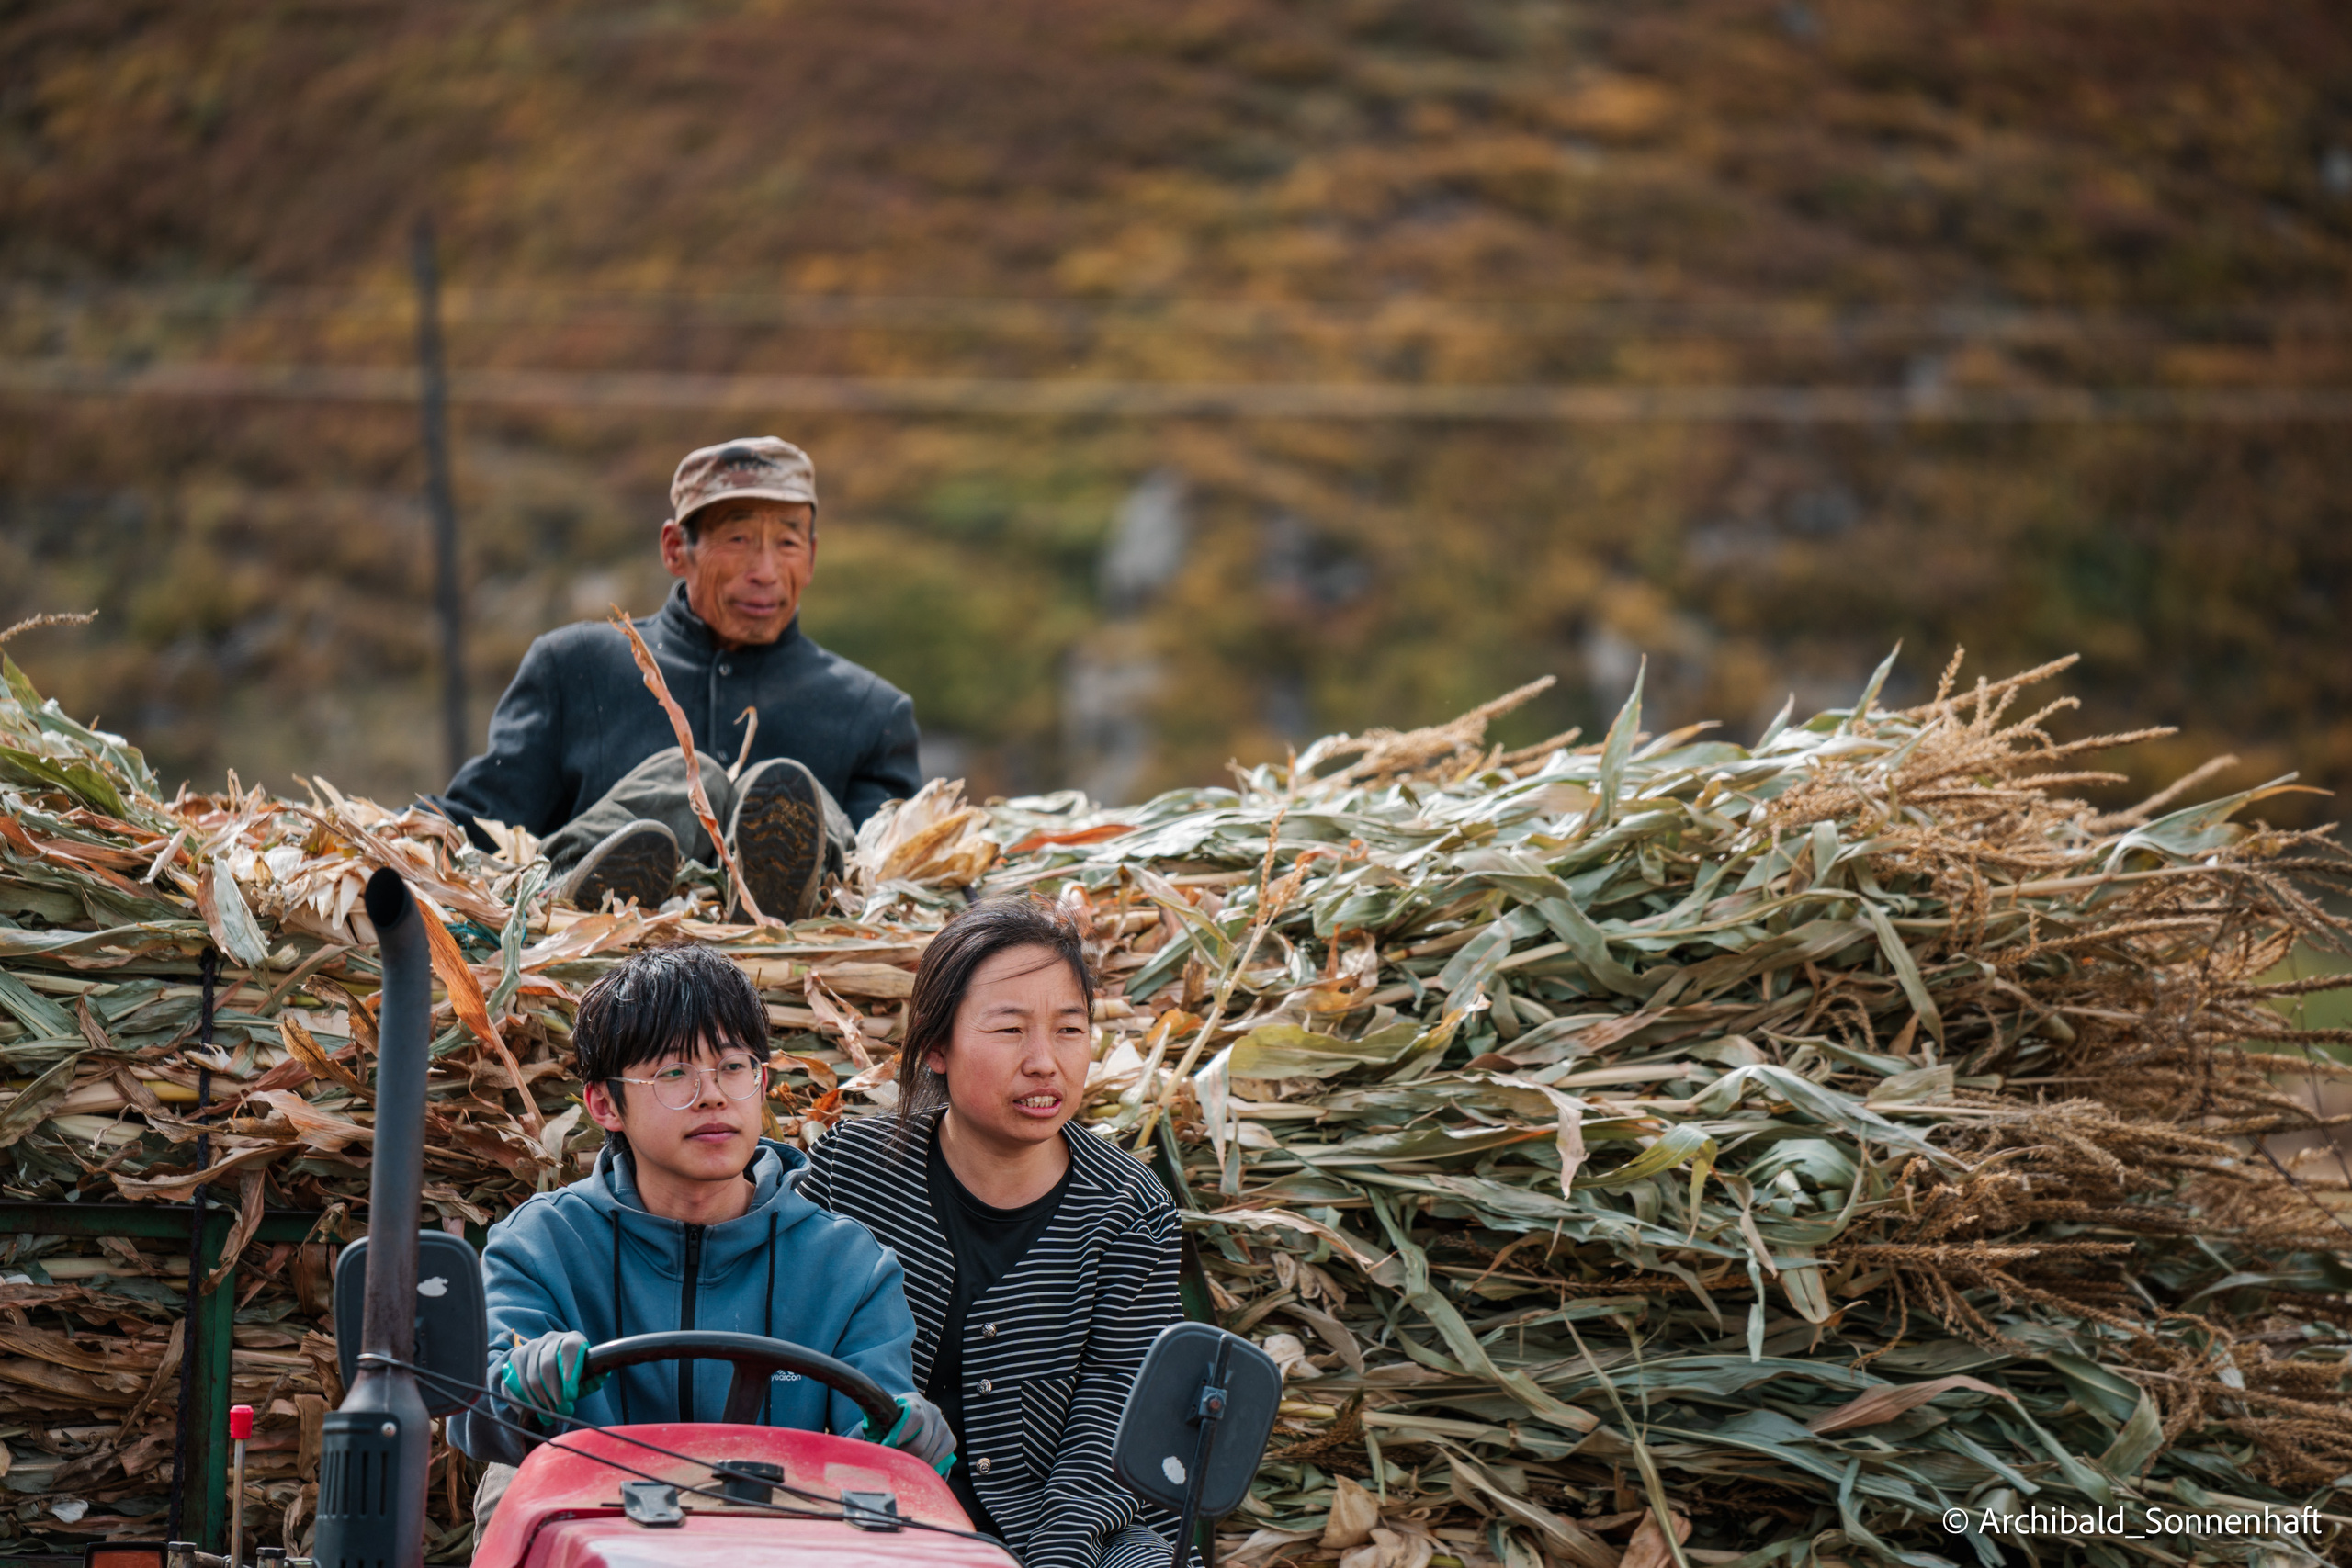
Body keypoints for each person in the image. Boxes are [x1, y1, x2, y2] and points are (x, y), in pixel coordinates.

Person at [450, 944, 953, 1530]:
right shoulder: (540, 1245)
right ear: (605, 1104)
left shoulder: (849, 1267)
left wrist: (907, 1437)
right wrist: (521, 1383)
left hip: (782, 1534)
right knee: (512, 1482)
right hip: (598, 1526)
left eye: (733, 1067)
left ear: (762, 1082)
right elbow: (470, 1414)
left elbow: (868, 1450)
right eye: (673, 1072)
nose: (711, 1095)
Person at [801, 899, 1189, 1568]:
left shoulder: (1129, 1208)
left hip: (1065, 1529)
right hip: (861, 1515)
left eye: (1070, 1029)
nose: (1045, 1061)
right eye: (1010, 1029)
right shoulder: (851, 1169)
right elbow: (796, 1356)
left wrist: (1053, 1557)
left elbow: (1117, 1411)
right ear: (936, 1046)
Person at [435, 437, 922, 918]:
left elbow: (899, 874)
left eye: (788, 543)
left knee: (792, 796)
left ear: (812, 558)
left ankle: (778, 901)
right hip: (603, 968)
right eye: (738, 540)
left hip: (792, 971)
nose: (766, 571)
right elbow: (474, 825)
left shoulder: (871, 711)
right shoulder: (575, 667)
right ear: (674, 548)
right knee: (690, 783)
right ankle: (572, 890)